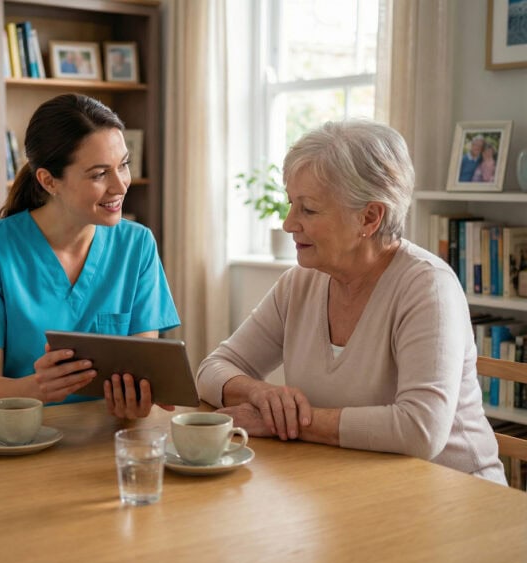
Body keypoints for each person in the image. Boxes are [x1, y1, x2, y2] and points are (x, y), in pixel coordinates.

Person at [197, 119, 507, 485]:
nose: (288, 223)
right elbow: (213, 369)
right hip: (352, 486)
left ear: (370, 217)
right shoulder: (300, 282)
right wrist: (260, 393)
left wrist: (293, 422)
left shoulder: (428, 287)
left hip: (456, 497)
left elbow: (420, 430)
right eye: (291, 204)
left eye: (308, 209)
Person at [0, 93, 180, 420]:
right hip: (0, 437)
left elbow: (139, 369)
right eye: (98, 174)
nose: (120, 185)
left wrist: (138, 397)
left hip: (92, 437)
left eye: (122, 165)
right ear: (49, 181)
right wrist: (37, 387)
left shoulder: (137, 245)